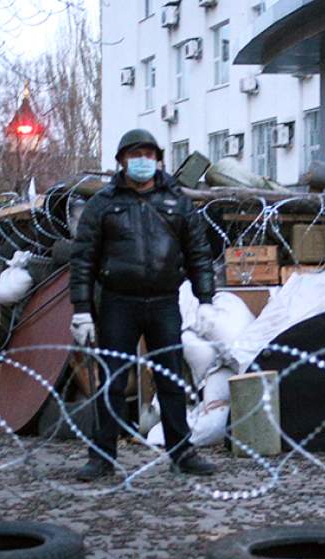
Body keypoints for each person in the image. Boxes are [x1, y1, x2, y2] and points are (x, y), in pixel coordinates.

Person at [69, 129, 217, 482]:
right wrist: (81, 308)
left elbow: (198, 251)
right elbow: (83, 259)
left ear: (158, 159)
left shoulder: (177, 201)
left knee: (169, 379)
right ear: (121, 160)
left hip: (165, 301)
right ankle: (102, 456)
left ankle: (182, 453)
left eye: (150, 155)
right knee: (113, 381)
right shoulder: (102, 204)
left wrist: (206, 299)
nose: (143, 162)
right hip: (118, 302)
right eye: (136, 155)